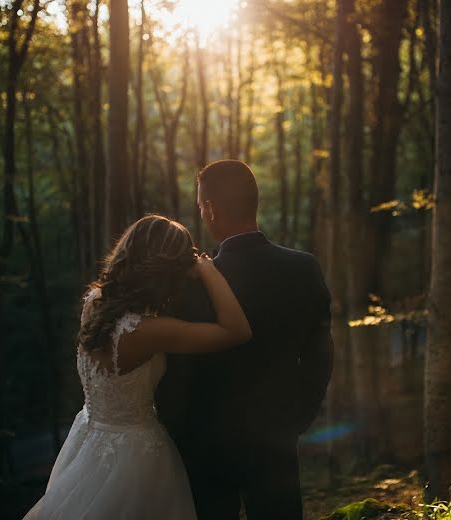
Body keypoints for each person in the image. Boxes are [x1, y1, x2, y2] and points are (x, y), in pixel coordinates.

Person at [24, 214, 251, 520]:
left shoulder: (95, 303)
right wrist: (210, 271)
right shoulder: (147, 331)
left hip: (90, 438)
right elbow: (237, 330)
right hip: (136, 456)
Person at [156, 160, 334, 520]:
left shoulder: (191, 282)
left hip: (205, 444)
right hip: (276, 437)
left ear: (210, 209)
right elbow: (320, 356)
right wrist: (296, 419)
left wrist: (180, 432)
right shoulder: (303, 268)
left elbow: (175, 367)